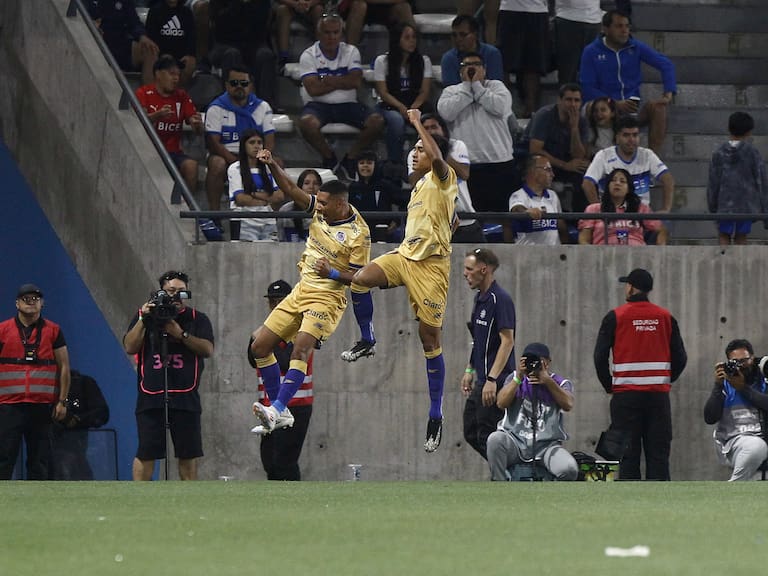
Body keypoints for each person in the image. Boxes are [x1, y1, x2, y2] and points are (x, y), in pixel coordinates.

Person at [351, 109, 458, 453]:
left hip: (431, 268)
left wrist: (415, 122)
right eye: (413, 149)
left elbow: (439, 158)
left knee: (429, 341)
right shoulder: (419, 187)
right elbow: (447, 220)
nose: (415, 152)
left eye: (420, 149)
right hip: (404, 256)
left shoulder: (444, 175)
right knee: (360, 279)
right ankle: (367, 339)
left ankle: (436, 413)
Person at [250, 150, 373, 433]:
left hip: (327, 298)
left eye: (325, 203)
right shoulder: (321, 208)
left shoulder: (359, 233)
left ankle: (278, 409)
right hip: (301, 291)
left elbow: (359, 277)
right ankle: (278, 413)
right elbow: (292, 190)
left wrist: (331, 272)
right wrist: (272, 165)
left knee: (301, 348)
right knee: (259, 346)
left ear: (341, 204)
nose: (318, 207)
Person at [593, 268, 687, 480]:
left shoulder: (615, 317)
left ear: (632, 288)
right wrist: (664, 380)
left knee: (627, 455)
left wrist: (610, 386)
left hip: (625, 398)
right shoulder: (665, 317)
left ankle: (629, 507)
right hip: (658, 398)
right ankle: (662, 507)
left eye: (627, 284)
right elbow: (681, 358)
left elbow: (599, 357)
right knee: (659, 456)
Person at [123, 271, 214, 480]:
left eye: (181, 292)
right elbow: (130, 346)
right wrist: (143, 319)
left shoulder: (197, 319)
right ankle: (139, 501)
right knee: (146, 452)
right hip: (151, 395)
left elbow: (207, 349)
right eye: (171, 291)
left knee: (188, 454)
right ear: (160, 292)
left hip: (185, 396)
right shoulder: (145, 317)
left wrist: (180, 334)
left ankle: (189, 504)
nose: (175, 296)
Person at [437, 51, 516, 241]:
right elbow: (446, 113)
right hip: (467, 166)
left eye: (476, 65)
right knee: (471, 217)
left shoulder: (497, 87)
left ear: (484, 69)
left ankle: (507, 253)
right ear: (460, 71)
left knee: (505, 217)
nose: (471, 68)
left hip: (499, 162)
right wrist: (468, 87)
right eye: (466, 65)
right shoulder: (451, 91)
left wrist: (477, 88)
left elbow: (500, 107)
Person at [298, 14, 385, 181]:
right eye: (327, 32)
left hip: (348, 104)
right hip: (318, 105)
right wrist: (342, 81)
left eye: (335, 32)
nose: (331, 37)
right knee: (306, 123)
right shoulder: (308, 55)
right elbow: (313, 89)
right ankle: (329, 158)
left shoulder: (351, 51)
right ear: (319, 34)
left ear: (341, 34)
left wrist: (327, 80)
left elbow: (356, 81)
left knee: (377, 121)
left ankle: (350, 159)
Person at [579, 10, 676, 153]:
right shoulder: (591, 51)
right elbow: (587, 87)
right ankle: (602, 154)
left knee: (659, 108)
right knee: (602, 109)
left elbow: (666, 64)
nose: (625, 31)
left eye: (627, 26)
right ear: (605, 29)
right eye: (619, 26)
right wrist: (613, 102)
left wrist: (668, 94)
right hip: (601, 104)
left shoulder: (635, 47)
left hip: (631, 107)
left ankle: (652, 160)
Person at [0, 284, 70, 480]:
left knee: (40, 460)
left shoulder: (53, 330)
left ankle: (39, 506)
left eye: (35, 299)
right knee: (3, 458)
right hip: (8, 406)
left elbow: (64, 366)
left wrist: (62, 401)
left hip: (42, 406)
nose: (31, 302)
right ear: (17, 303)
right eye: (26, 298)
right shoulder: (2, 330)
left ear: (42, 303)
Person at [251, 280, 314, 481]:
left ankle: (292, 503)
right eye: (272, 302)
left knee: (284, 461)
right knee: (269, 460)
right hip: (267, 405)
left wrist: (263, 336)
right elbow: (254, 359)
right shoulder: (264, 333)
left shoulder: (301, 332)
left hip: (295, 404)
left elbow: (285, 361)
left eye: (281, 301)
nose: (276, 306)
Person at [486, 342, 578, 481]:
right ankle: (500, 486)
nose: (534, 366)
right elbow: (501, 403)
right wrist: (519, 377)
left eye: (539, 362)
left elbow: (568, 405)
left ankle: (552, 498)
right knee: (495, 439)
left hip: (547, 447)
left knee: (569, 468)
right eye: (529, 361)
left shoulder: (560, 383)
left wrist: (547, 381)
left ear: (547, 362)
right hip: (515, 442)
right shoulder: (514, 379)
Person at [461, 248, 515, 461]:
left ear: (483, 270)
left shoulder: (499, 299)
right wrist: (469, 369)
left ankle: (506, 474)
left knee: (487, 434)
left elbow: (508, 341)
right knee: (471, 432)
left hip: (496, 382)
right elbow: (479, 339)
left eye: (469, 268)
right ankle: (505, 471)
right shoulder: (479, 299)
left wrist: (492, 380)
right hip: (482, 380)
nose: (465, 273)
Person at [204, 65, 275, 216]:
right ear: (226, 85)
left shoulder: (262, 107)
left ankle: (274, 217)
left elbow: (269, 140)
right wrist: (239, 162)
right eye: (234, 83)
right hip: (226, 155)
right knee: (217, 164)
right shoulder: (216, 108)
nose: (239, 87)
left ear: (251, 86)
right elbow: (213, 143)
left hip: (255, 155)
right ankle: (214, 215)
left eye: (244, 83)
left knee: (278, 165)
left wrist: (261, 158)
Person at [135, 54, 203, 204]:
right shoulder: (144, 93)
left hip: (173, 153)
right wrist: (156, 116)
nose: (176, 79)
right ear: (158, 74)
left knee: (191, 166)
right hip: (148, 151)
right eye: (172, 74)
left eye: (178, 75)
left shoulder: (181, 96)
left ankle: (187, 206)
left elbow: (197, 129)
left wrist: (197, 124)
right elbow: (136, 123)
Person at [406, 113, 484, 243]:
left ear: (443, 129)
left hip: (465, 221)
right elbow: (414, 182)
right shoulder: (416, 153)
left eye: (434, 127)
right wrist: (427, 153)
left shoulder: (457, 146)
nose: (430, 132)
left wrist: (439, 150)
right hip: (432, 225)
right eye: (426, 129)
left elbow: (464, 174)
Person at [704, 339, 768, 481]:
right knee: (756, 446)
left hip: (763, 440)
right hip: (734, 442)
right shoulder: (726, 386)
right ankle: (735, 485)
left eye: (745, 360)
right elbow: (709, 418)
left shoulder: (763, 380)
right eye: (735, 362)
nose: (741, 366)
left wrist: (743, 388)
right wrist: (717, 386)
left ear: (753, 358)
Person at [583, 116, 674, 214]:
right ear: (617, 138)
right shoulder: (604, 155)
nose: (631, 140)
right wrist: (599, 212)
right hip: (612, 216)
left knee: (663, 229)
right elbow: (587, 183)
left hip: (641, 216)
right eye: (626, 135)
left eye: (635, 135)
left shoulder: (647, 155)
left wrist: (666, 209)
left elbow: (668, 179)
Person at [373, 22, 433, 165]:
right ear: (396, 39)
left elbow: (424, 91)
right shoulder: (383, 61)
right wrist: (402, 108)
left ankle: (427, 162)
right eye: (407, 37)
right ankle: (395, 164)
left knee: (427, 121)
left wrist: (413, 108)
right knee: (396, 121)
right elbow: (383, 92)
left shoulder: (424, 61)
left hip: (415, 103)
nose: (412, 41)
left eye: (413, 37)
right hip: (390, 104)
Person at [527, 83, 591, 212]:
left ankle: (578, 218)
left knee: (584, 173)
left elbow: (578, 155)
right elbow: (535, 149)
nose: (573, 104)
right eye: (568, 100)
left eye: (576, 100)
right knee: (539, 165)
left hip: (564, 161)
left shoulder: (582, 120)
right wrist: (564, 165)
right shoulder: (544, 115)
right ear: (559, 100)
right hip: (540, 160)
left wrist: (574, 128)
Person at [707, 111, 768, 246]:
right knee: (742, 236)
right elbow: (761, 181)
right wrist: (765, 209)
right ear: (749, 132)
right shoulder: (752, 153)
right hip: (745, 205)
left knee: (723, 235)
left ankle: (723, 262)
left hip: (724, 204)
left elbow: (713, 183)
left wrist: (713, 206)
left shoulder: (718, 153)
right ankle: (740, 266)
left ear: (729, 128)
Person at [203, 0, 277, 109]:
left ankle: (265, 106)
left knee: (266, 55)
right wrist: (238, 4)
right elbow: (221, 26)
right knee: (232, 54)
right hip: (224, 43)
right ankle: (231, 104)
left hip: (254, 43)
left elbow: (261, 27)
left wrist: (249, 6)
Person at [578, 168, 667, 245]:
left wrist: (659, 251)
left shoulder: (641, 208)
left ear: (629, 188)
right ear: (607, 186)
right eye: (613, 180)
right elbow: (584, 239)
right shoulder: (594, 209)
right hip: (604, 256)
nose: (617, 183)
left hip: (637, 256)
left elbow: (661, 230)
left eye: (622, 181)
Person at [49, 369, 109, 481]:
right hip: (50, 452)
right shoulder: (46, 385)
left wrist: (77, 419)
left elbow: (102, 413)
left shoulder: (83, 383)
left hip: (77, 449)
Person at [228, 128, 285, 241]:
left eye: (259, 142)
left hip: (268, 220)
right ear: (244, 145)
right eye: (252, 142)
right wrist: (267, 200)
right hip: (244, 220)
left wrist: (253, 194)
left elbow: (280, 196)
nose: (256, 146)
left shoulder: (269, 167)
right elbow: (241, 199)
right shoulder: (235, 168)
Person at [496, 0, 550, 118]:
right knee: (504, 64)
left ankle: (530, 109)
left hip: (537, 10)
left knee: (533, 64)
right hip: (509, 9)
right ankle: (502, 108)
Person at [87, 0, 159, 85]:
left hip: (119, 43)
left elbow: (134, 22)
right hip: (92, 43)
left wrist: (142, 36)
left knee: (150, 50)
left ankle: (148, 96)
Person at [508, 155, 569, 245]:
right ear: (534, 171)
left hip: (554, 254)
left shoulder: (553, 195)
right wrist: (527, 212)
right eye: (548, 170)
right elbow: (516, 209)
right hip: (528, 254)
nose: (552, 174)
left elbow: (561, 226)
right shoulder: (518, 195)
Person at [348, 150, 404, 243]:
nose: (365, 166)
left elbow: (405, 202)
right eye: (362, 163)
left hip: (382, 234)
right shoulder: (353, 188)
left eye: (369, 163)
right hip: (358, 235)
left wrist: (396, 221)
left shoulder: (385, 186)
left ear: (376, 165)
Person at [440, 15, 504, 87]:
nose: (458, 39)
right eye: (454, 35)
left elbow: (496, 86)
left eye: (463, 35)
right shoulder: (448, 58)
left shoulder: (492, 54)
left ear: (475, 34)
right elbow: (451, 90)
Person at [145, 0, 197, 87]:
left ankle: (180, 95)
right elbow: (151, 39)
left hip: (181, 57)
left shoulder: (187, 13)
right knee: (164, 60)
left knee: (190, 62)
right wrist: (163, 55)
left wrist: (189, 55)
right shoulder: (154, 11)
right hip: (161, 55)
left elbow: (191, 39)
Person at [554, 0, 602, 85]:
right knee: (568, 70)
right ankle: (566, 95)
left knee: (591, 70)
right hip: (568, 18)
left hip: (594, 20)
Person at [340, 0, 416, 48]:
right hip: (359, 6)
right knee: (359, 5)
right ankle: (350, 57)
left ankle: (412, 59)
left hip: (388, 8)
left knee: (404, 8)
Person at [274, 0, 324, 72]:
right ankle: (283, 58)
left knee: (318, 10)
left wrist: (309, 3)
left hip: (311, 6)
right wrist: (294, 4)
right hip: (289, 5)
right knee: (282, 9)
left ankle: (320, 57)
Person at [277, 169, 321, 242]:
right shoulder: (285, 210)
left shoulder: (326, 210)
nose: (311, 187)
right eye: (307, 183)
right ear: (299, 187)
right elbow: (281, 238)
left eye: (315, 183)